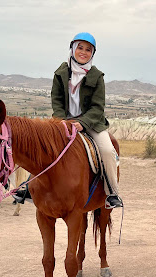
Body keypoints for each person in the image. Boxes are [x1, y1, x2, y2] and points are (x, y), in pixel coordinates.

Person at [42, 32, 121, 209]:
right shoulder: (60, 73)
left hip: (91, 123)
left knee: (107, 151)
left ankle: (112, 193)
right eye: (80, 47)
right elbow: (57, 101)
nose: (83, 52)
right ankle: (31, 188)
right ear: (73, 48)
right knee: (42, 144)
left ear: (92, 53)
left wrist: (82, 123)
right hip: (64, 121)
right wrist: (61, 121)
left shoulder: (97, 76)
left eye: (88, 49)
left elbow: (97, 107)